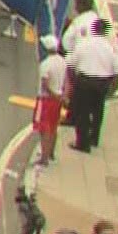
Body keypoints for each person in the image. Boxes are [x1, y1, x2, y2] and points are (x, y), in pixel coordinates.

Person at [67, 18, 118, 153]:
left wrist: (73, 81)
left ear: (93, 29)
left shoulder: (83, 44)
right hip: (102, 83)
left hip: (85, 80)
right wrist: (114, 88)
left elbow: (70, 64)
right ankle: (94, 138)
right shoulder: (109, 48)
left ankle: (83, 143)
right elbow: (117, 71)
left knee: (82, 112)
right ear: (105, 31)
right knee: (98, 111)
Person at [34, 35, 69, 168]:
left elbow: (45, 85)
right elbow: (66, 80)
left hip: (47, 100)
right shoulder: (62, 61)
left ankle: (44, 158)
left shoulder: (45, 64)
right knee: (54, 126)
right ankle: (51, 153)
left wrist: (55, 96)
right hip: (58, 98)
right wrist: (63, 96)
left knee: (44, 129)